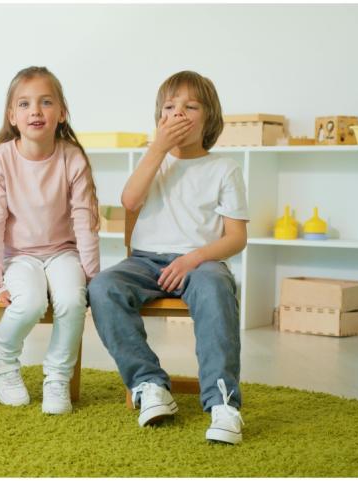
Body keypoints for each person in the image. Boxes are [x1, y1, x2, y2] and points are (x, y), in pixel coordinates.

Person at [88, 71, 249, 444]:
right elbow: (129, 201)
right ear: (159, 118)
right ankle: (148, 385)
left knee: (215, 288)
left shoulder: (224, 168)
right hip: (145, 261)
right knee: (103, 287)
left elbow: (236, 237)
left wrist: (192, 260)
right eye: (169, 107)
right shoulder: (154, 159)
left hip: (201, 262)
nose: (179, 114)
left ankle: (223, 404)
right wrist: (157, 149)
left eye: (191, 107)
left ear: (209, 117)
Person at [0, 66, 100, 415]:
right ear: (12, 116)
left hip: (63, 253)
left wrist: (92, 275)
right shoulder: (2, 159)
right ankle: (3, 360)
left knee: (71, 301)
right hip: (19, 257)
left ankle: (57, 377)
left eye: (46, 102)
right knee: (30, 302)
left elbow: (84, 220)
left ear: (61, 113)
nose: (35, 111)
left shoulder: (71, 157)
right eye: (25, 104)